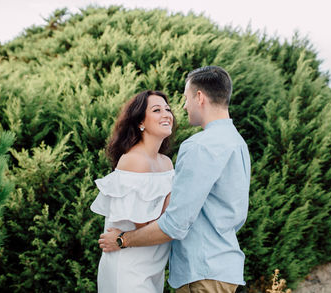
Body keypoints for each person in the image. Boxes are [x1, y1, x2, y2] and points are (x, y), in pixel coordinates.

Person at [99, 66, 251, 293]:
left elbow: (175, 224)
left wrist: (122, 240)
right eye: (157, 110)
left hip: (203, 271)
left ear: (199, 97)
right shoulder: (237, 143)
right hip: (223, 266)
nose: (183, 107)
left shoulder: (199, 146)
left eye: (185, 98)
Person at [90, 90, 176, 292]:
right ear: (140, 122)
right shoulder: (133, 161)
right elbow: (147, 225)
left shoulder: (166, 163)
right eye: (157, 110)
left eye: (168, 109)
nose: (166, 114)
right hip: (128, 267)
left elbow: (167, 219)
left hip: (153, 265)